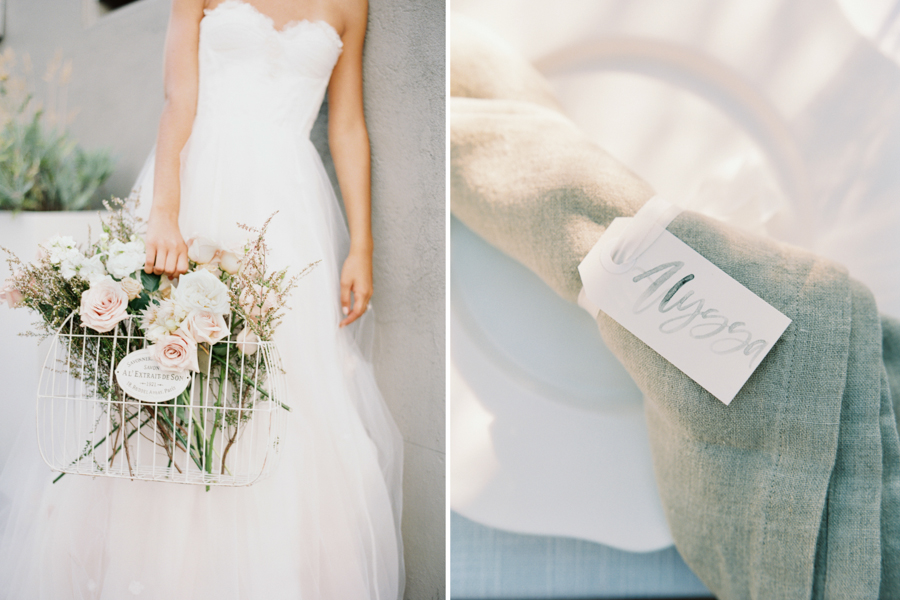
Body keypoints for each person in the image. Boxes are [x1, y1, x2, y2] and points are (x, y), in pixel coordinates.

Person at [0, 0, 405, 598]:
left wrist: (362, 247)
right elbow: (178, 101)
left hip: (288, 212)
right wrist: (164, 214)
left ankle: (264, 570)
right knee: (166, 377)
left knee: (285, 387)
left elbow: (346, 126)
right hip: (198, 187)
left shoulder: (351, 4)